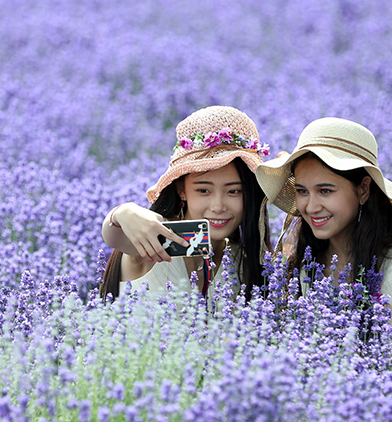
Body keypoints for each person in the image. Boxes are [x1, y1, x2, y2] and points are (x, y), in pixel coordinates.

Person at [256, 117, 392, 328]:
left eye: (325, 191)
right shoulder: (305, 265)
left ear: (363, 190)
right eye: (302, 191)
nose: (311, 207)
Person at [100, 106, 270, 301]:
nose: (218, 206)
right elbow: (114, 237)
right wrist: (122, 213)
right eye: (203, 190)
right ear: (182, 189)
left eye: (234, 191)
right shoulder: (159, 236)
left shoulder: (243, 260)